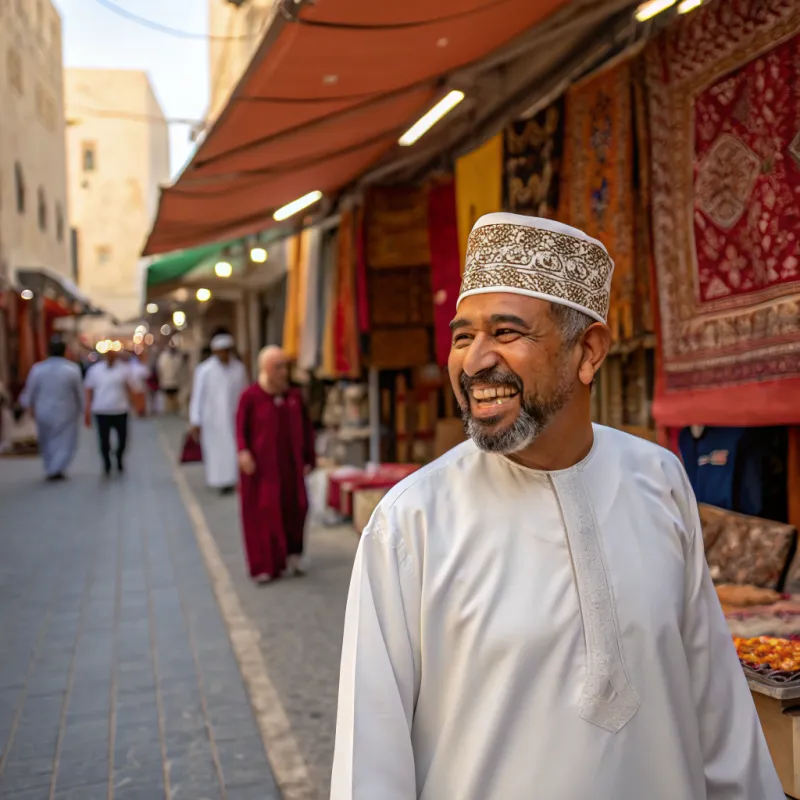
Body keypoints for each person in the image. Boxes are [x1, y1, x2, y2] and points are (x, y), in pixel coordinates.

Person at [331, 213, 783, 799]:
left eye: (506, 332)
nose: (475, 362)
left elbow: (715, 703)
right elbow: (369, 757)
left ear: (587, 352)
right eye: (463, 337)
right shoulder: (410, 521)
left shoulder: (658, 480)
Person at [236, 346, 316, 583]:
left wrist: (309, 458)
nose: (283, 372)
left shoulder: (294, 396)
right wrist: (243, 452)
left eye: (285, 367)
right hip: (262, 470)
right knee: (265, 513)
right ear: (266, 369)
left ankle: (293, 555)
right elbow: (240, 429)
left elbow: (307, 429)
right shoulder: (250, 397)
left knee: (296, 508)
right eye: (278, 367)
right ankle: (265, 565)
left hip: (290, 467)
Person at [189, 332, 248, 495]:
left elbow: (245, 393)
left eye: (226, 350)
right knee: (216, 451)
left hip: (234, 417)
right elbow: (198, 396)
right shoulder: (204, 370)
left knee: (234, 448)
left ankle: (235, 480)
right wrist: (195, 420)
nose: (224, 354)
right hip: (212, 420)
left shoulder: (239, 369)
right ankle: (219, 481)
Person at [18, 337, 83, 481]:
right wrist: (83, 409)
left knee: (46, 439)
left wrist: (26, 405)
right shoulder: (72, 369)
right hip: (67, 410)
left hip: (43, 410)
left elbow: (30, 390)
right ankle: (57, 468)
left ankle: (51, 467)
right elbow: (79, 392)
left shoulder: (38, 369)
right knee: (65, 440)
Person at [84, 346, 142, 477]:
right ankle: (107, 463)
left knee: (123, 438)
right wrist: (87, 409)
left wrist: (137, 405)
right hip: (102, 410)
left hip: (120, 409)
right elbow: (88, 390)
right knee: (104, 439)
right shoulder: (95, 370)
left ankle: (119, 457)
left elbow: (131, 388)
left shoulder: (124, 370)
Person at [156, 346, 184, 413]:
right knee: (169, 396)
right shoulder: (163, 357)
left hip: (175, 381)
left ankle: (174, 408)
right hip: (167, 381)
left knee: (175, 396)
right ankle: (170, 409)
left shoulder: (177, 357)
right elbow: (160, 369)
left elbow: (179, 368)